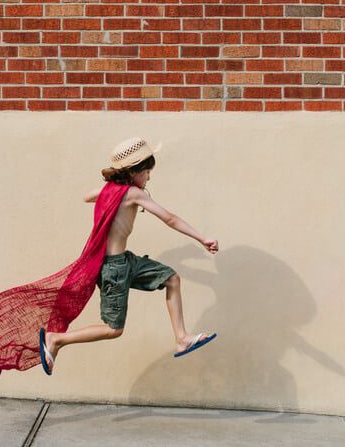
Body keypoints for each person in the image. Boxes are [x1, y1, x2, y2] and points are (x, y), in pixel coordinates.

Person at [38, 137, 219, 375]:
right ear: (133, 172)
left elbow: (87, 196)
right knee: (113, 329)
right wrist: (201, 238)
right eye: (146, 172)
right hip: (114, 269)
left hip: (125, 261)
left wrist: (111, 193)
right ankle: (56, 340)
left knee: (171, 278)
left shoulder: (112, 191)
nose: (148, 177)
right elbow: (169, 218)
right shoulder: (134, 193)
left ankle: (182, 338)